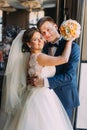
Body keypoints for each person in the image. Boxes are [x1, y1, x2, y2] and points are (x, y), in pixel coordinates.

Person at [2, 27, 74, 130]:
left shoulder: (29, 56)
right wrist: (70, 40)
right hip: (42, 96)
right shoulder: (39, 57)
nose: (40, 40)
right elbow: (64, 59)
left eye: (40, 37)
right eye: (35, 39)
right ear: (29, 44)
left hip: (34, 93)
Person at [28, 16, 80, 120]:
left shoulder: (73, 47)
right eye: (43, 32)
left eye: (48, 29)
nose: (46, 34)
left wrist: (44, 82)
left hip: (64, 96)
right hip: (45, 97)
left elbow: (69, 76)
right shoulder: (43, 47)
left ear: (55, 26)